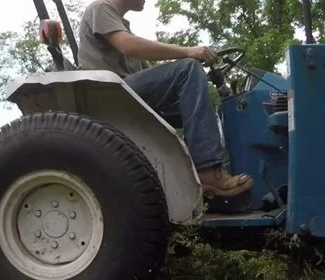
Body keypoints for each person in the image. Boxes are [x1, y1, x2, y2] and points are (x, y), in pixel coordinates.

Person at [77, 0, 253, 198]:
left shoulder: (122, 25)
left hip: (127, 94)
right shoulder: (101, 8)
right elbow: (128, 46)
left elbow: (151, 76)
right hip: (109, 95)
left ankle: (210, 172)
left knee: (202, 110)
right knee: (188, 68)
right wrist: (188, 52)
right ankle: (208, 172)